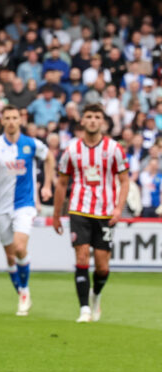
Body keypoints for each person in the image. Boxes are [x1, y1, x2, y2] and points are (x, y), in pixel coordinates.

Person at [52, 104, 130, 323]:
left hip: (105, 212)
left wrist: (118, 208)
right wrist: (57, 215)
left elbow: (124, 181)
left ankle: (95, 295)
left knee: (103, 266)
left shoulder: (114, 149)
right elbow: (61, 183)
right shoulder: (72, 150)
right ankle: (84, 308)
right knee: (82, 256)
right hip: (79, 209)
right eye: (89, 117)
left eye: (97, 117)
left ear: (102, 121)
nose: (93, 120)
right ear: (82, 121)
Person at [0, 105, 55, 316]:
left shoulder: (31, 144)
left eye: (15, 117)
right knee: (10, 258)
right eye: (7, 118)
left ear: (21, 120)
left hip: (24, 204)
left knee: (20, 248)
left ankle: (25, 291)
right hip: (1, 207)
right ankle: (22, 291)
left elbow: (49, 157)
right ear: (2, 121)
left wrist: (47, 185)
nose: (11, 121)